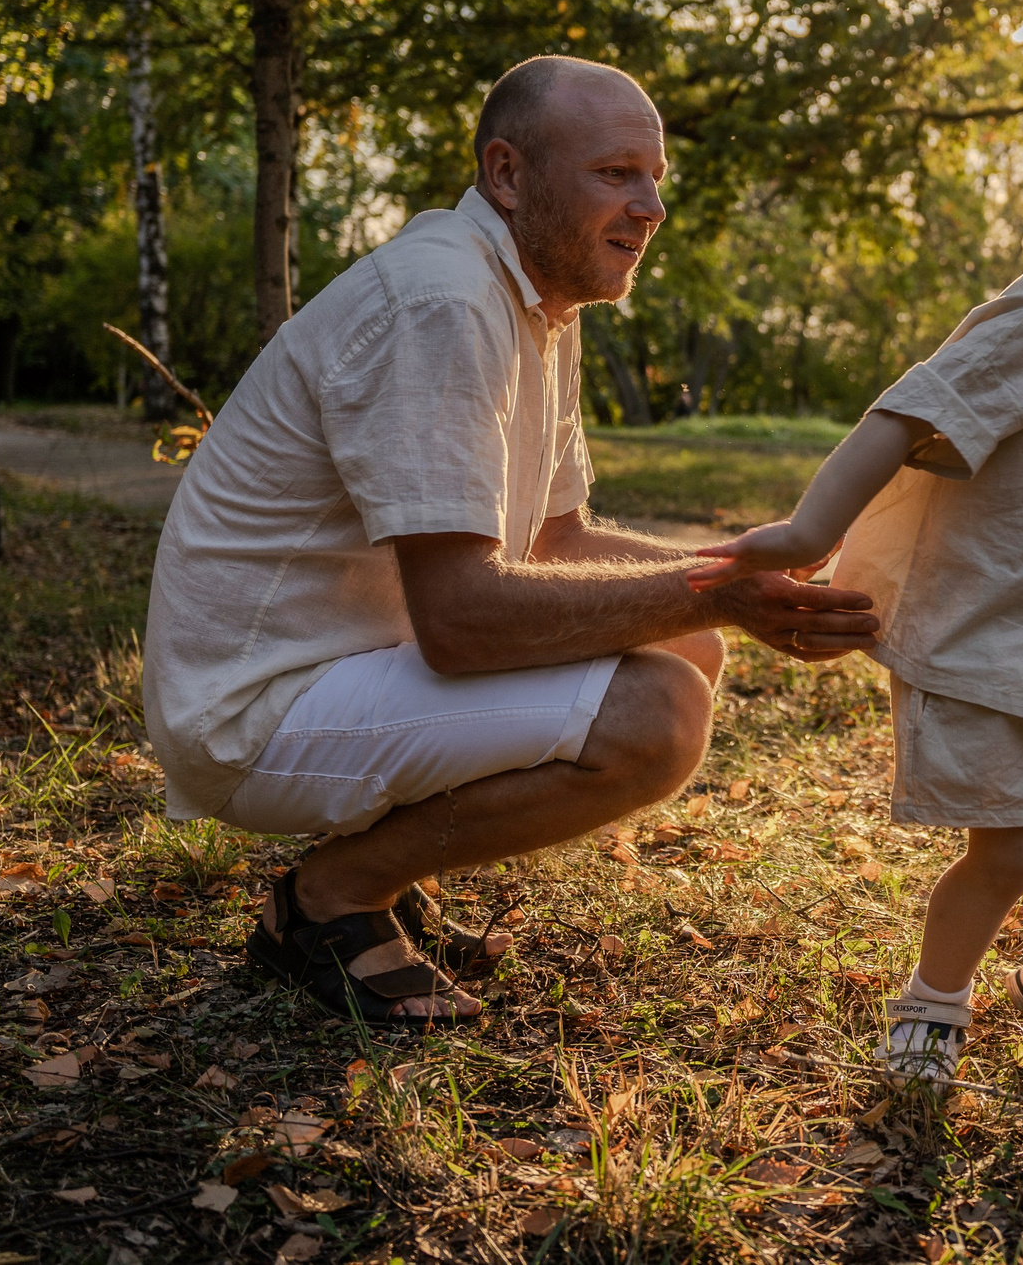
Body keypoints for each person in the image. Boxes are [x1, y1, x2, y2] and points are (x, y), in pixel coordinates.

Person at [141, 56, 880, 1025]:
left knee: (688, 644)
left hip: (345, 661)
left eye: (656, 178)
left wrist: (730, 574)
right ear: (507, 174)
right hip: (253, 706)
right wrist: (717, 596)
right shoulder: (443, 302)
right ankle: (329, 899)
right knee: (657, 712)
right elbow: (461, 622)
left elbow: (556, 542)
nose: (651, 206)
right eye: (617, 173)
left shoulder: (535, 300)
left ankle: (382, 875)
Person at [689, 69, 1023, 1082]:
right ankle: (933, 1007)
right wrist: (814, 524)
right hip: (995, 635)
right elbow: (906, 415)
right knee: (1010, 852)